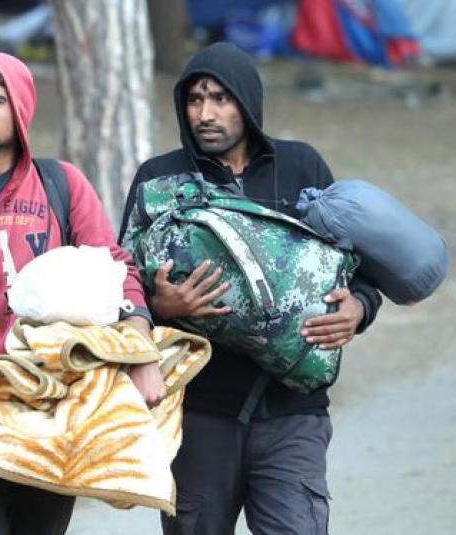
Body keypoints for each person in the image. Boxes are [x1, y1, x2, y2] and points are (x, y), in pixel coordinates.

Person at [119, 42, 383, 534]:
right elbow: (122, 283)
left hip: (292, 414)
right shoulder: (159, 179)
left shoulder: (302, 168)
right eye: (195, 99)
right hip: (197, 416)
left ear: (247, 102)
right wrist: (160, 305)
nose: (205, 113)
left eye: (221, 98)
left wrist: (359, 308)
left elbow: (360, 265)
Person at [0, 52, 162, 535]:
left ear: (19, 108)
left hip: (53, 414)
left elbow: (115, 271)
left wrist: (141, 351)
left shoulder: (63, 185)